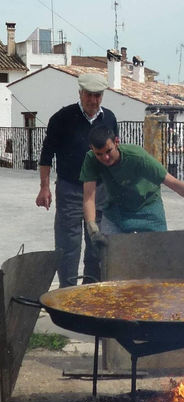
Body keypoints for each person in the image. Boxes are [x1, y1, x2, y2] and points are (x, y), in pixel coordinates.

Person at [79, 125, 184, 244]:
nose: (105, 158)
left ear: (116, 142)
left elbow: (175, 184)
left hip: (148, 207)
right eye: (99, 154)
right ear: (92, 149)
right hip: (117, 211)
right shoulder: (91, 159)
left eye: (108, 151)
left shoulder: (137, 157)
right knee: (110, 256)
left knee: (158, 254)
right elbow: (89, 197)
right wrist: (92, 226)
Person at [35, 73, 118, 287]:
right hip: (69, 189)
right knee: (67, 246)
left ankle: (91, 293)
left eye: (97, 95)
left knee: (97, 244)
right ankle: (67, 295)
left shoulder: (109, 118)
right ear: (80, 93)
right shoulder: (62, 118)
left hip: (100, 191)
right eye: (89, 95)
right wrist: (44, 187)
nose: (93, 100)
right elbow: (46, 155)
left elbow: (113, 154)